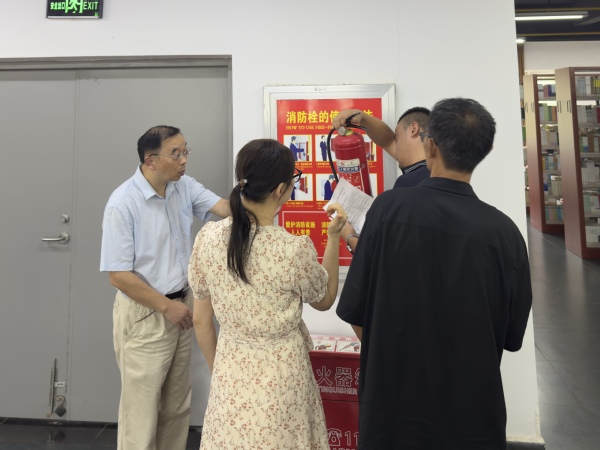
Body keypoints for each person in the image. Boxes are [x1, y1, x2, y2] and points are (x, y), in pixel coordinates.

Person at [336, 98, 533, 450]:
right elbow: (511, 335)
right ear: (483, 152)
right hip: (473, 421)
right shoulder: (506, 234)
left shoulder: (388, 209)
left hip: (393, 415)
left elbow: (355, 310)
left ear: (430, 145)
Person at [188, 138, 347, 449]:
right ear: (280, 189)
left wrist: (220, 372)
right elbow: (326, 299)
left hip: (230, 373)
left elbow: (201, 321)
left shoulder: (208, 238)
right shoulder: (292, 249)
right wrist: (333, 237)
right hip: (282, 381)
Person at [100, 125, 229, 450]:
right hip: (146, 314)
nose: (184, 160)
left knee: (177, 407)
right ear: (151, 160)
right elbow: (118, 276)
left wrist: (260, 191)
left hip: (181, 309)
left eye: (186, 151)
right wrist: (166, 306)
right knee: (141, 413)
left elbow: (225, 209)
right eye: (176, 154)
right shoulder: (123, 203)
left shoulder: (182, 186)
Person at [332, 107, 430, 253]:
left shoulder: (409, 185)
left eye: (397, 138)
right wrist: (363, 118)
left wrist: (349, 236)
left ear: (413, 129)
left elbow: (386, 256)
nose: (395, 144)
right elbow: (387, 141)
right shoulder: (439, 172)